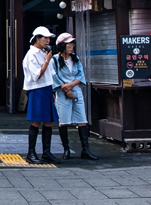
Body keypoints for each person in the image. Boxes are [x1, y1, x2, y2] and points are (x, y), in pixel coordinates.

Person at [52, 33, 97, 160]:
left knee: (82, 120)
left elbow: (81, 76)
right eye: (69, 44)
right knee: (63, 122)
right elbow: (54, 77)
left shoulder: (75, 58)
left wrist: (70, 85)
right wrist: (66, 89)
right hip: (62, 93)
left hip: (76, 91)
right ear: (62, 46)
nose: (71, 46)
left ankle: (85, 149)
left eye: (72, 44)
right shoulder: (54, 60)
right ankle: (66, 149)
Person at [22, 26, 58, 163]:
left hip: (46, 88)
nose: (48, 41)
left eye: (49, 38)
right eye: (45, 38)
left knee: (48, 121)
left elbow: (50, 74)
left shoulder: (43, 52)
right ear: (37, 38)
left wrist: (52, 91)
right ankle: (31, 153)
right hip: (37, 89)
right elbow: (37, 75)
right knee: (36, 121)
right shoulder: (31, 54)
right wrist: (47, 60)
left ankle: (46, 152)